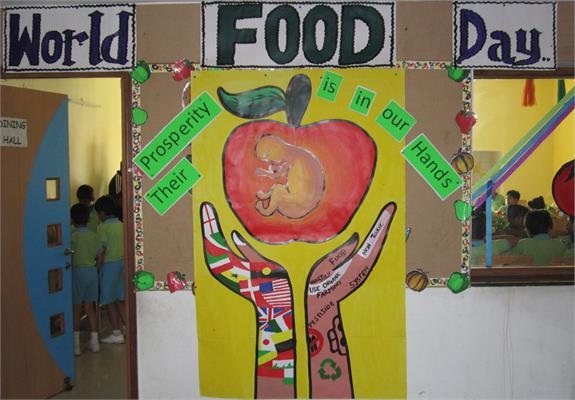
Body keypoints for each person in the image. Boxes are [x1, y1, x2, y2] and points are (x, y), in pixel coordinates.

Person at [95, 195, 126, 344]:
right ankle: (127, 328)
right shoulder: (122, 224)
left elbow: (102, 250)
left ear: (102, 213)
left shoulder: (103, 227)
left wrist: (97, 268)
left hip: (109, 266)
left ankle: (116, 333)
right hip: (123, 264)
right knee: (121, 299)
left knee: (109, 300)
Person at [70, 203, 100, 355]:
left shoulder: (72, 236)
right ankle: (95, 343)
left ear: (72, 219)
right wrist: (96, 269)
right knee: (90, 308)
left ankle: (76, 346)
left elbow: (68, 256)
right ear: (88, 219)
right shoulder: (94, 235)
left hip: (77, 272)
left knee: (76, 308)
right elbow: (100, 256)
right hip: (92, 271)